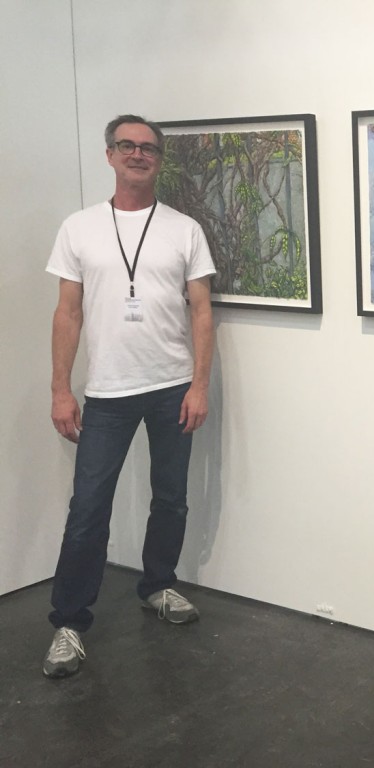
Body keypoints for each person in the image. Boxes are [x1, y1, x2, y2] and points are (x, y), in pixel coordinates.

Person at [43, 115, 217, 678]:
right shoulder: (79, 228)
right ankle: (69, 623)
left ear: (159, 160)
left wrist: (199, 384)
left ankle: (159, 585)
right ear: (110, 155)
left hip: (172, 387)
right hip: (109, 392)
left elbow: (202, 312)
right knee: (88, 510)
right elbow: (67, 312)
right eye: (128, 146)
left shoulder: (184, 229)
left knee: (170, 497)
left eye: (148, 148)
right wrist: (59, 390)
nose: (138, 155)